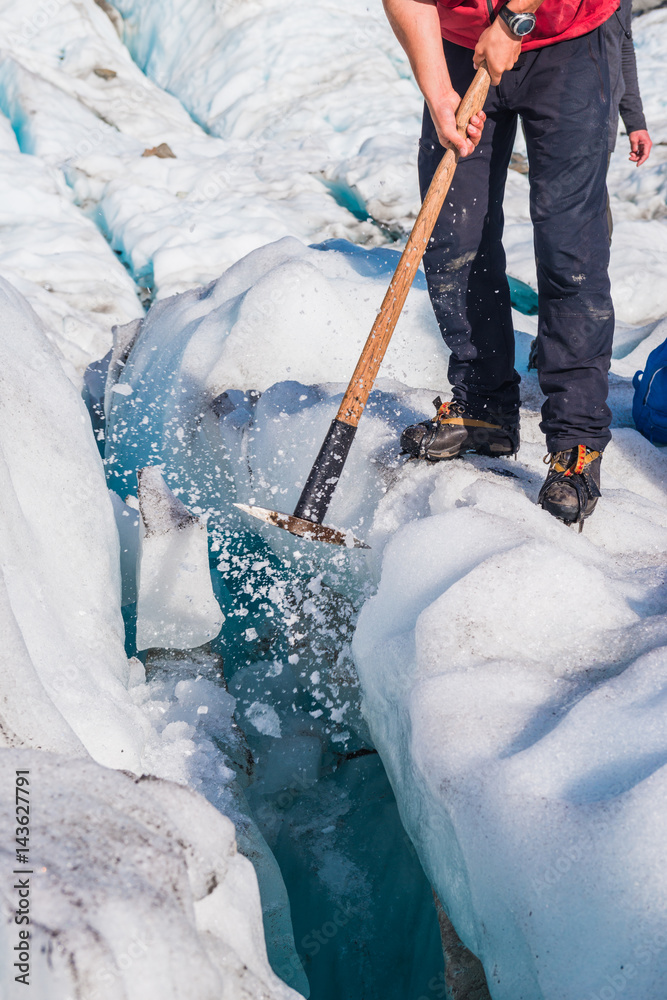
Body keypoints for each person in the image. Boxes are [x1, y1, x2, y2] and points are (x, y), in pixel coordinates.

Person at [385, 0, 623, 526]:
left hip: (569, 41)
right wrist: (438, 90)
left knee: (569, 249)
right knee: (453, 234)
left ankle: (576, 444)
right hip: (463, 45)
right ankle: (484, 405)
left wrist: (514, 17)